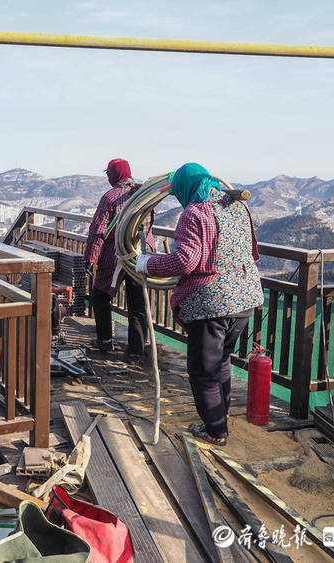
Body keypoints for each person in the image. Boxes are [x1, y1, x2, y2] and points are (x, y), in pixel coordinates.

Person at [136, 163, 263, 445]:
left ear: (184, 187)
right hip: (244, 299)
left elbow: (186, 260)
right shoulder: (235, 204)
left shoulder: (194, 212)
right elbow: (250, 248)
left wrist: (148, 264)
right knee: (222, 362)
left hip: (212, 304)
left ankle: (216, 431)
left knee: (203, 372)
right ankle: (220, 419)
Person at [84, 158, 155, 358]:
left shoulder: (111, 197)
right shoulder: (143, 194)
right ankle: (136, 351)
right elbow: (148, 226)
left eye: (108, 173)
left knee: (100, 296)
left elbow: (98, 231)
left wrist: (89, 258)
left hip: (116, 255)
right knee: (138, 302)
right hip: (141, 255)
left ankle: (105, 342)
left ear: (114, 174)